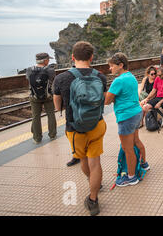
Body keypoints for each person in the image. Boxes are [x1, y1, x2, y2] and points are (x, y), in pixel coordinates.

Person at [52, 41, 107, 216]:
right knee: (95, 161)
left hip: (75, 128)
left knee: (83, 160)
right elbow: (104, 100)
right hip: (97, 124)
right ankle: (93, 199)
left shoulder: (61, 78)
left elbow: (57, 103)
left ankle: (93, 184)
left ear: (73, 57)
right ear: (91, 57)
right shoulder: (100, 76)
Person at [105, 53, 148, 187]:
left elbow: (107, 101)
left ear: (120, 65)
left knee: (127, 148)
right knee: (136, 141)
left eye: (112, 66)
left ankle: (131, 177)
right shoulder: (131, 77)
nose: (110, 69)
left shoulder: (118, 81)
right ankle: (144, 164)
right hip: (136, 113)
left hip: (126, 117)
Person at [26, 53, 57, 144]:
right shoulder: (50, 70)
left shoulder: (29, 70)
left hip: (34, 97)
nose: (49, 61)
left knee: (35, 116)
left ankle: (37, 138)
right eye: (48, 59)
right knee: (50, 114)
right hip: (48, 96)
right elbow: (52, 81)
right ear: (45, 60)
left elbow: (29, 80)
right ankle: (52, 134)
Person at [140, 66, 163, 131]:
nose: (159, 77)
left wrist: (159, 103)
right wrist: (147, 98)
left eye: (160, 75)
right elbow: (154, 90)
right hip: (158, 97)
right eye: (158, 75)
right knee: (145, 107)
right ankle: (155, 121)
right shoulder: (157, 78)